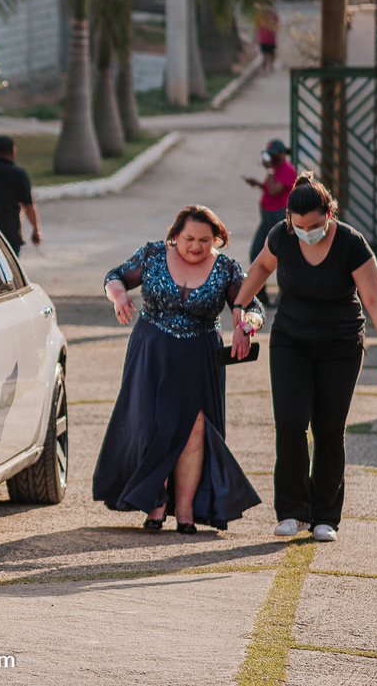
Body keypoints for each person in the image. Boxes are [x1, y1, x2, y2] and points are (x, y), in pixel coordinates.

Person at [232, 172, 377, 543]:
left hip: (340, 344)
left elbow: (374, 298)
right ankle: (293, 510)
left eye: (314, 225)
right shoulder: (282, 235)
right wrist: (240, 305)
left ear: (329, 212)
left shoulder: (351, 244)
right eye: (299, 225)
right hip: (291, 339)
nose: (307, 231)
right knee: (290, 422)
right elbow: (262, 266)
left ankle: (325, 516)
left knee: (328, 429)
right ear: (289, 219)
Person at [94, 205, 263, 534]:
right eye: (189, 238)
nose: (196, 246)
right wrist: (118, 297)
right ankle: (154, 501)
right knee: (151, 424)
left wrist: (246, 326)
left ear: (217, 239)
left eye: (205, 239)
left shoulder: (227, 269)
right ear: (175, 236)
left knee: (192, 431)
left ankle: (184, 508)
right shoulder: (153, 253)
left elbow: (253, 306)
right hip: (151, 351)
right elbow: (113, 276)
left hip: (199, 355)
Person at [243, 139, 297, 305]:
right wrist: (259, 184)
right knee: (256, 253)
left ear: (282, 154)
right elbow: (270, 188)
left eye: (274, 155)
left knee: (282, 256)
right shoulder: (275, 169)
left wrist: (270, 171)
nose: (271, 158)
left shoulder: (286, 169)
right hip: (268, 216)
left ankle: (284, 297)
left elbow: (274, 190)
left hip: (279, 217)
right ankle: (261, 296)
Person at [257, 7, 278, 74]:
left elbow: (277, 25)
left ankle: (271, 66)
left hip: (271, 40)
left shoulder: (274, 16)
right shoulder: (261, 17)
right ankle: (264, 70)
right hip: (263, 40)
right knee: (265, 56)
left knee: (272, 56)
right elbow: (257, 27)